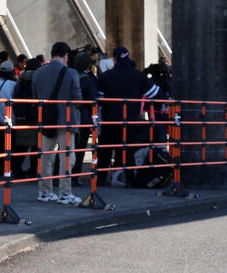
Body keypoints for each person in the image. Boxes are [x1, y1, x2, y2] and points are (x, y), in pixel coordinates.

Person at [96, 47, 157, 187]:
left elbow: (98, 100)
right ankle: (129, 179)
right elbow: (154, 93)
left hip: (109, 120)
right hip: (130, 121)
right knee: (128, 149)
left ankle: (101, 178)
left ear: (115, 59)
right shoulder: (139, 76)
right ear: (128, 58)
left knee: (105, 150)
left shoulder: (105, 77)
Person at [31, 42, 83, 205]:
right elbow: (78, 99)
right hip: (66, 120)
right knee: (67, 156)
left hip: (46, 119)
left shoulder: (38, 72)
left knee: (46, 156)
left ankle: (45, 191)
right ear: (66, 55)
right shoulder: (71, 73)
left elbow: (34, 96)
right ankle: (65, 192)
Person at [10, 56, 42, 178]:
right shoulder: (37, 79)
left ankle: (17, 170)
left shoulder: (20, 80)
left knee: (20, 147)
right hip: (33, 117)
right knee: (35, 146)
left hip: (20, 117)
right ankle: (33, 171)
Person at [70, 50, 99, 177]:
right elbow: (93, 98)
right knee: (80, 148)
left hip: (68, 115)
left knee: (66, 146)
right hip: (83, 117)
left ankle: (60, 174)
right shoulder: (89, 80)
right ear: (88, 65)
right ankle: (75, 174)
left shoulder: (69, 75)